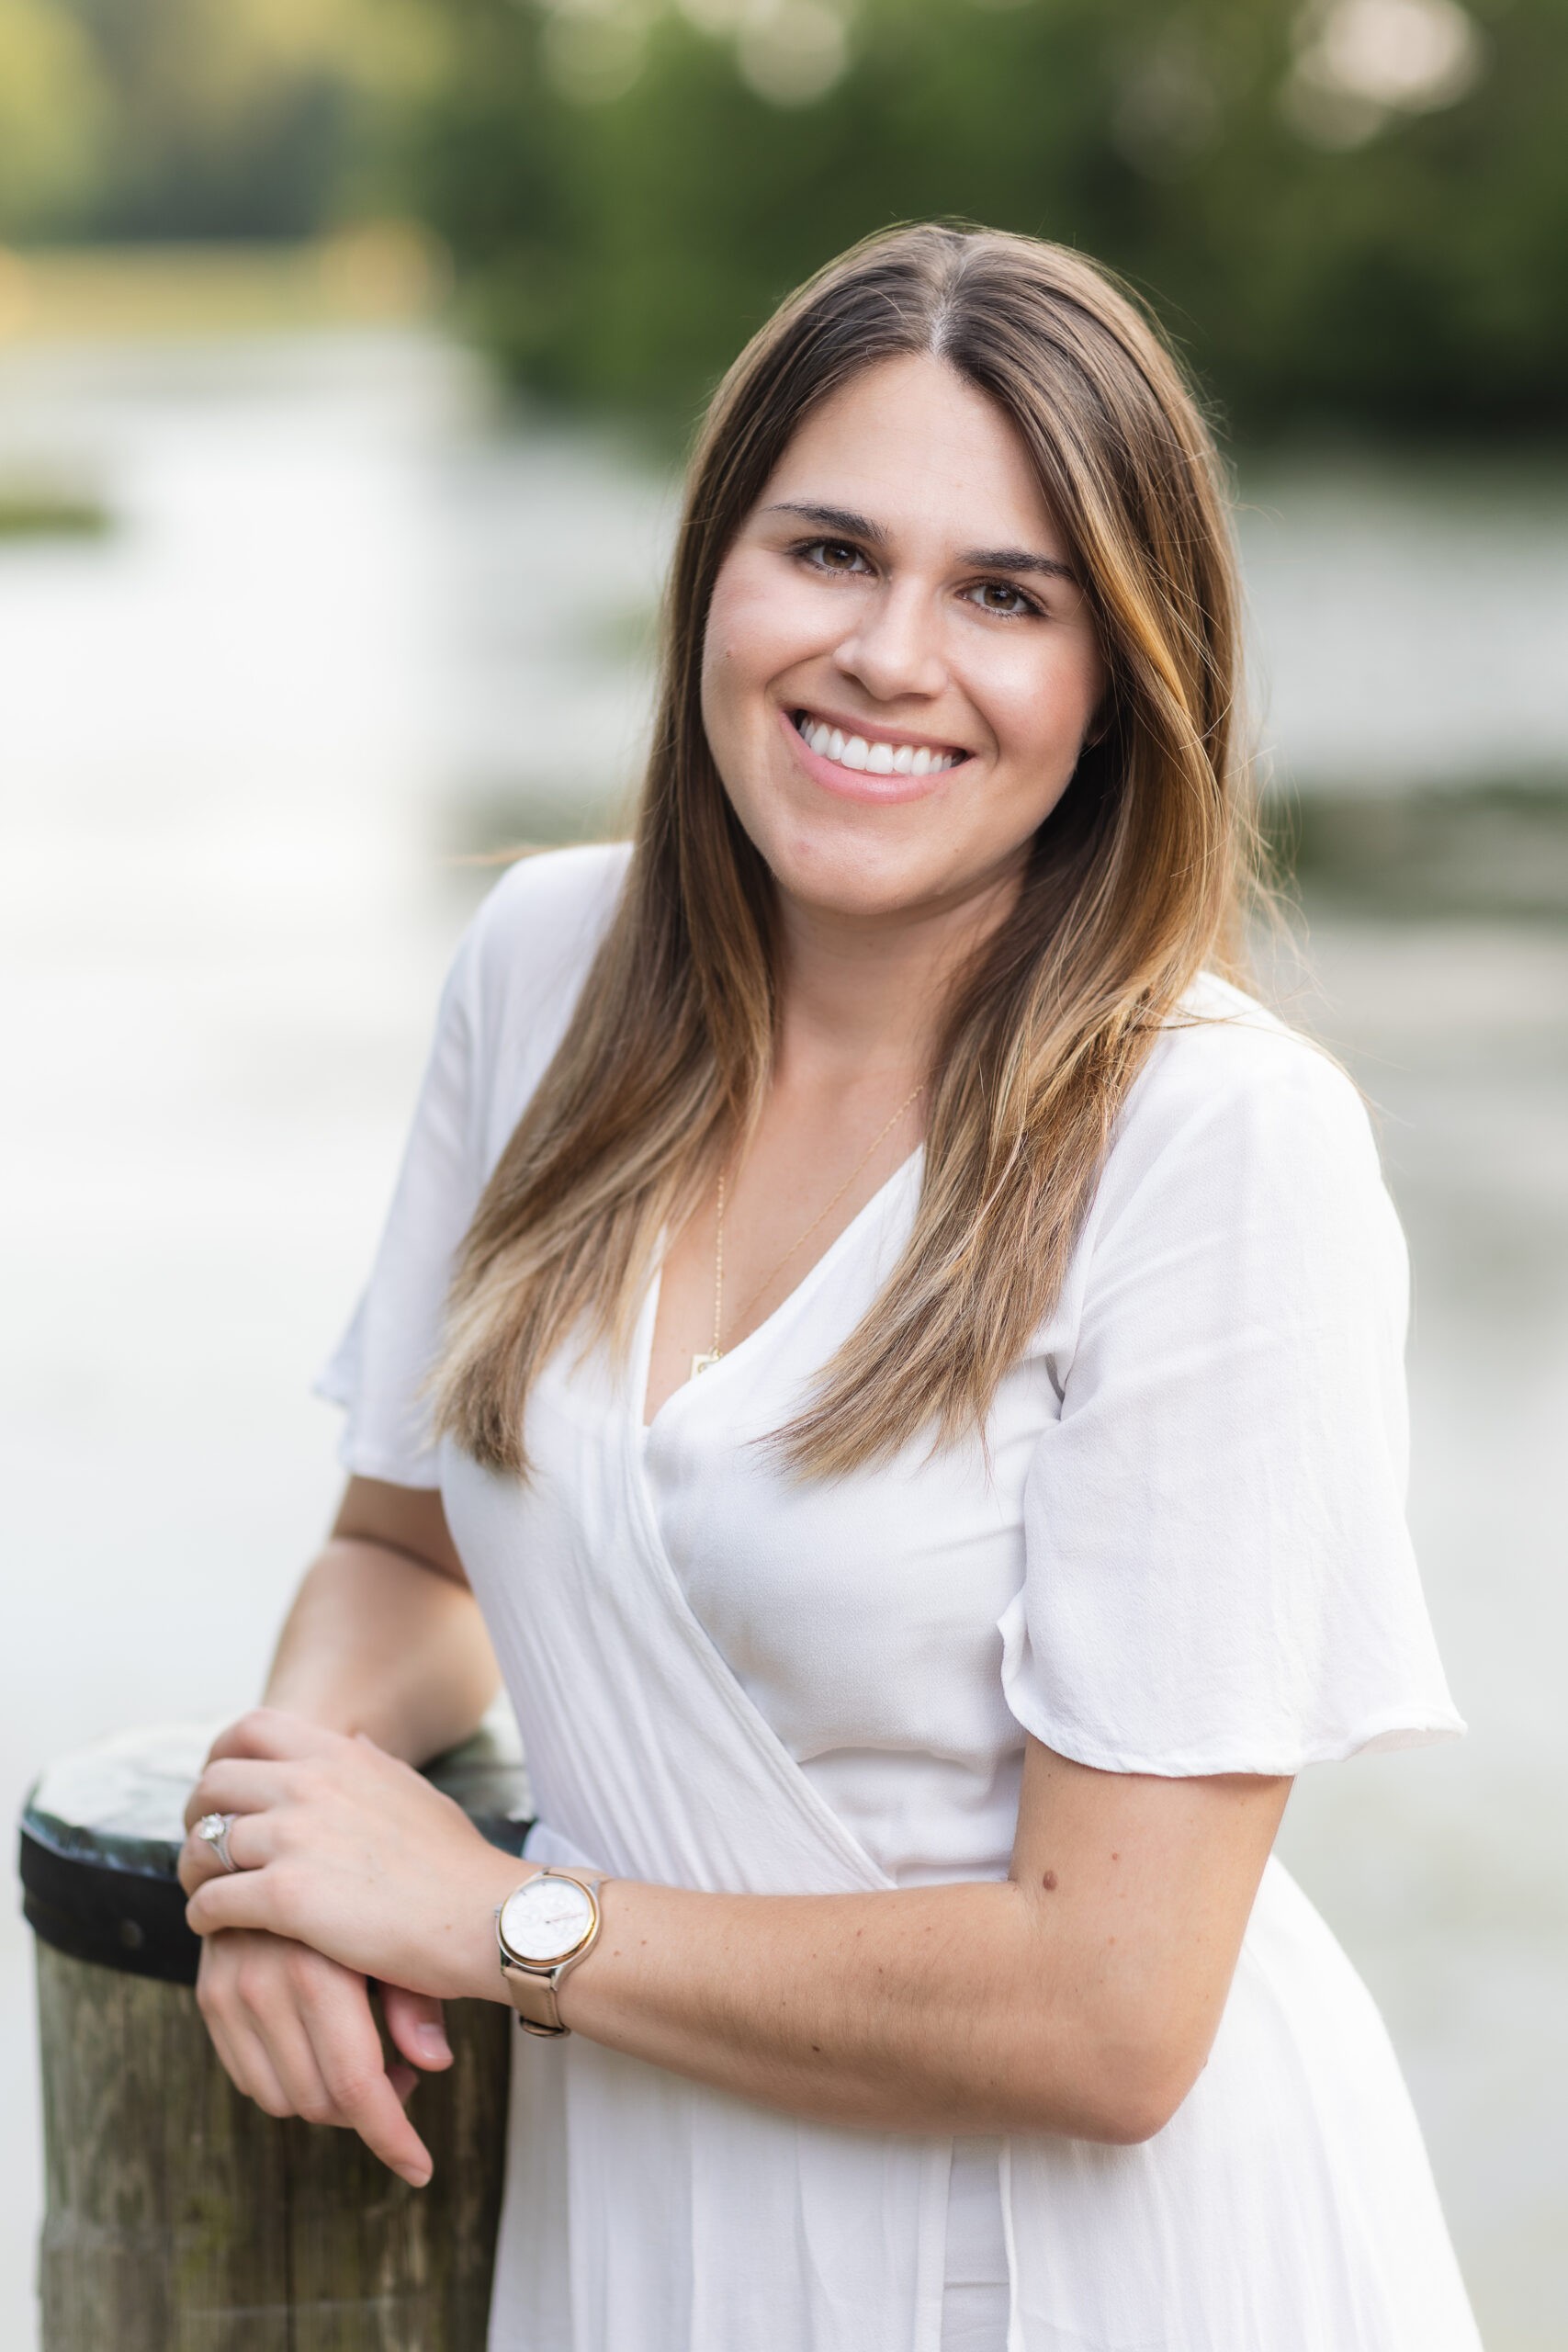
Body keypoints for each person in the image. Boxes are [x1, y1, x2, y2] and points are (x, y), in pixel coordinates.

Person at [178, 224, 1482, 2352]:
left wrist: (489, 1913)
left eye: (1002, 593)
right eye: (827, 550)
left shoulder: (1219, 1148)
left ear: (1124, 674)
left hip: (1081, 2274)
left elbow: (1111, 2012)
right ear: (712, 573)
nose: (888, 653)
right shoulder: (541, 977)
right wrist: (286, 1845)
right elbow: (404, 1546)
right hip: (646, 2240)